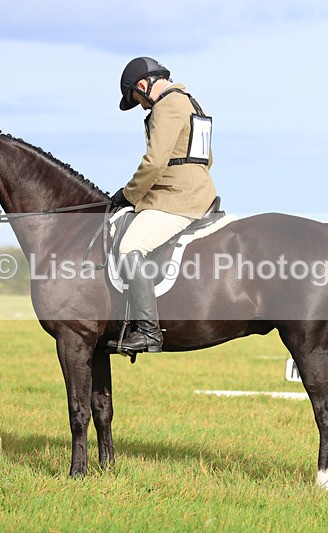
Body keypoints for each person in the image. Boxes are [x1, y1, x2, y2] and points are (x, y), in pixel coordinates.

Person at [109, 57, 218, 354]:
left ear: (143, 86)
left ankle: (148, 331)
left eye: (138, 100)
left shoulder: (166, 106)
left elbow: (155, 162)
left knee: (130, 249)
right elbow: (207, 159)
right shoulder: (193, 103)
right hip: (202, 192)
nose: (142, 107)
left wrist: (129, 194)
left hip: (177, 199)